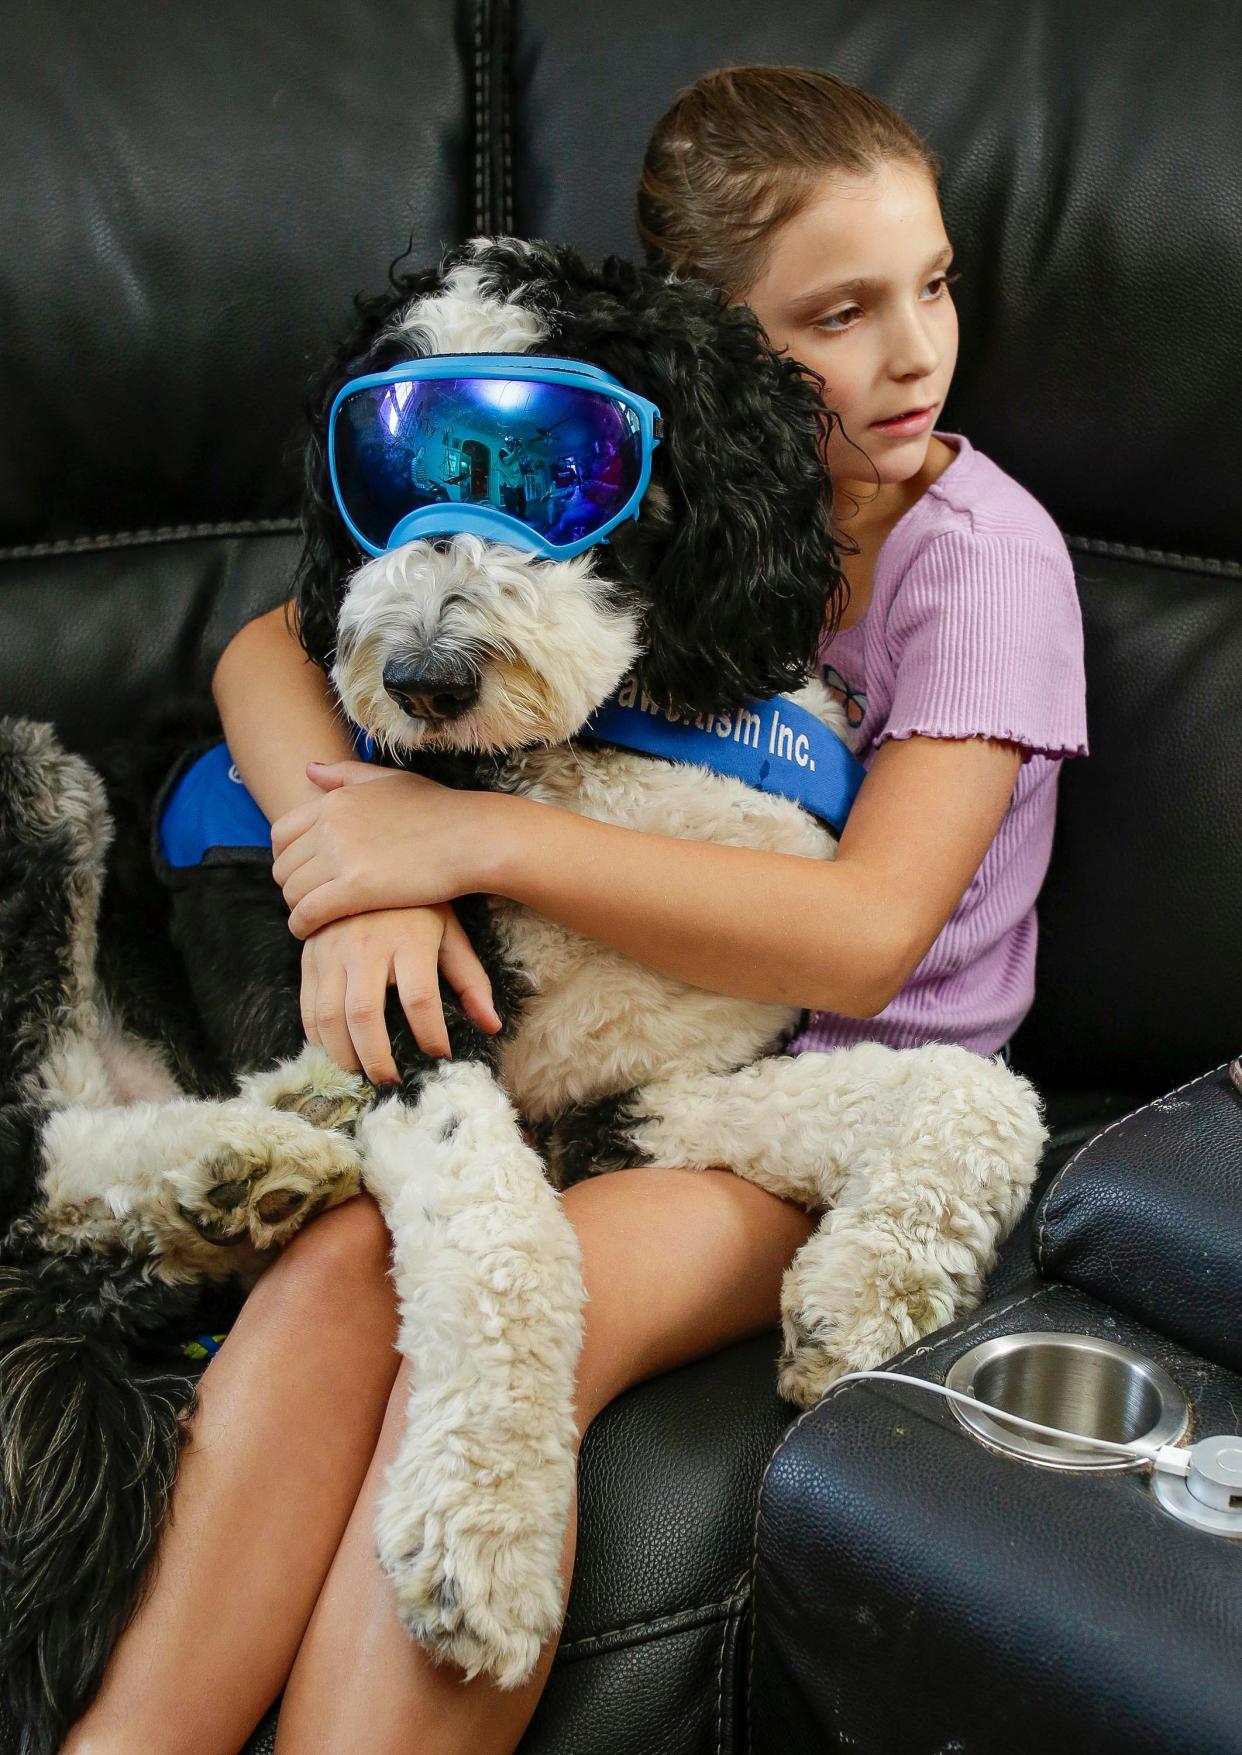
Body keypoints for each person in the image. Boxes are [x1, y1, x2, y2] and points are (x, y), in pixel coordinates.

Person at [65, 63, 1086, 1755]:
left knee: (504, 1317)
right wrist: (354, 897)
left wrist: (465, 854)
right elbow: (267, 646)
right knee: (330, 1275)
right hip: (569, 1048)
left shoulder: (979, 557)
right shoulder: (585, 475)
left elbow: (863, 937)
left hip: (800, 1100)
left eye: (932, 286)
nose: (910, 353)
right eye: (838, 315)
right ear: (706, 353)